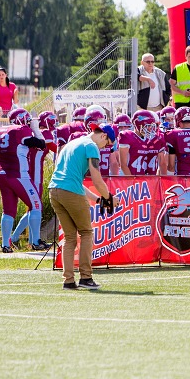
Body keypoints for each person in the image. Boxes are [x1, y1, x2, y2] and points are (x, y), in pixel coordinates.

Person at [49, 123, 116, 290]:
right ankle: (86, 277)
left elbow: (74, 181)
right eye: (107, 144)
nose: (104, 147)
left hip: (54, 191)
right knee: (86, 232)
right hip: (70, 192)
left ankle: (68, 280)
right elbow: (97, 180)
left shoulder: (72, 144)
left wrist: (99, 200)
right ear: (103, 136)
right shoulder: (91, 146)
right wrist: (109, 198)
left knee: (70, 237)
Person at [0, 108, 46, 253]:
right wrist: (35, 128)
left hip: (2, 173)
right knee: (36, 205)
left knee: (8, 210)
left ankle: (5, 244)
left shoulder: (0, 130)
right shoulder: (21, 130)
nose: (28, 124)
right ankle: (36, 242)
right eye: (27, 121)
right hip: (18, 174)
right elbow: (41, 144)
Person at [10, 110, 57, 249]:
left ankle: (26, 239)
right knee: (36, 206)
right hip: (34, 174)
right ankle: (26, 239)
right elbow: (57, 149)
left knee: (34, 207)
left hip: (26, 172)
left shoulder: (28, 132)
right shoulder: (45, 133)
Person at [119, 109, 167, 176]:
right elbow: (123, 165)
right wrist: (131, 180)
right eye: (147, 126)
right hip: (127, 177)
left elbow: (161, 163)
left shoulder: (148, 140)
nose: (150, 128)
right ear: (138, 125)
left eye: (151, 126)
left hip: (142, 177)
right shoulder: (127, 136)